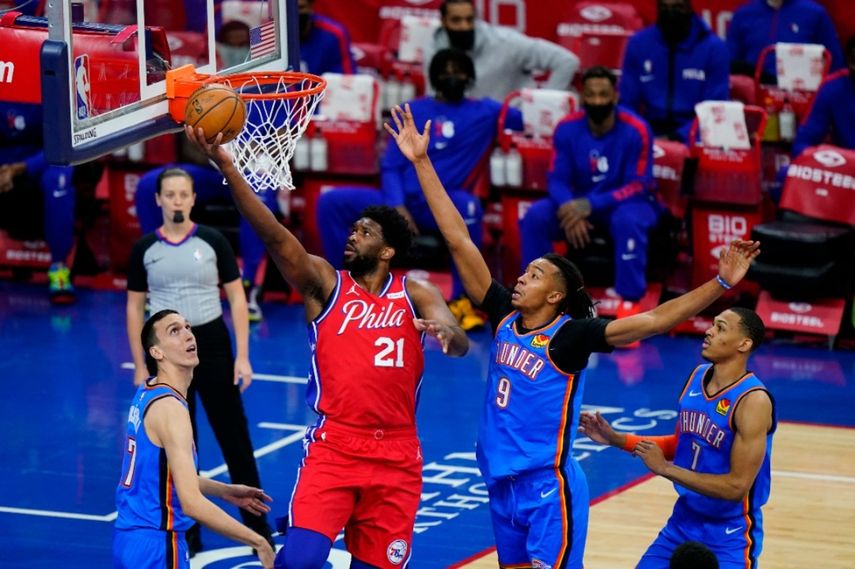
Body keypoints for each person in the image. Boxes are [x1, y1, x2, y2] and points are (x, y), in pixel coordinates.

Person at [385, 102, 760, 569]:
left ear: (558, 295)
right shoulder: (503, 314)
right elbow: (459, 239)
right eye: (524, 271)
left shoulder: (571, 338)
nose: (521, 278)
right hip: (501, 485)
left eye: (535, 274)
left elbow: (655, 321)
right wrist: (421, 162)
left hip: (547, 489)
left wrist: (721, 283)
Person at [184, 124, 469, 568]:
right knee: (300, 559)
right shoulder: (325, 284)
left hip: (397, 454)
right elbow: (276, 236)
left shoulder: (416, 292)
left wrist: (449, 336)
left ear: (389, 250)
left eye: (366, 231)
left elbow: (458, 340)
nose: (352, 235)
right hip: (335, 446)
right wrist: (228, 166)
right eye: (353, 228)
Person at [317, 48, 523, 331]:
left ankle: (462, 300)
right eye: (445, 70)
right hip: (400, 201)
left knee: (469, 207)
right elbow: (390, 165)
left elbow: (532, 118)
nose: (452, 76)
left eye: (459, 70)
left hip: (442, 204)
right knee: (331, 202)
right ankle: (335, 285)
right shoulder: (413, 110)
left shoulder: (486, 111)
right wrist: (397, 207)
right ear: (434, 76)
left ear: (470, 76)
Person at [126, 167, 272, 554]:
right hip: (167, 352)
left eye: (183, 194)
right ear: (158, 200)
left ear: (193, 198)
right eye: (169, 194)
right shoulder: (144, 249)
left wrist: (243, 356)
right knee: (181, 443)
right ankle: (187, 532)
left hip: (210, 340)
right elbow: (134, 306)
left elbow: (238, 299)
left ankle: (259, 527)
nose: (176, 200)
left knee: (234, 436)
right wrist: (140, 365)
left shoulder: (213, 241)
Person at [579, 307, 773, 569]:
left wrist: (666, 469)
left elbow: (735, 487)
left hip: (730, 534)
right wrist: (616, 439)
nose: (709, 331)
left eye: (721, 328)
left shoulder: (753, 400)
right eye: (713, 324)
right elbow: (681, 445)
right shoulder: (696, 377)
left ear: (744, 344)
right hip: (683, 522)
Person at [114, 309, 275, 569]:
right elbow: (191, 504)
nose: (188, 335)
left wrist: (224, 491)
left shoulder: (148, 390)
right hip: (159, 544)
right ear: (157, 352)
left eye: (187, 327)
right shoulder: (172, 410)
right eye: (174, 331)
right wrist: (257, 540)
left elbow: (162, 473)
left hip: (129, 539)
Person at [519, 66, 660, 317]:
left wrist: (590, 205)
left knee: (629, 219)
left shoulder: (637, 129)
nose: (597, 101)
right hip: (578, 204)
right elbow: (557, 179)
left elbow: (639, 184)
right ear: (582, 97)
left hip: (625, 203)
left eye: (603, 95)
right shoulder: (566, 127)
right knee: (536, 216)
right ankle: (535, 296)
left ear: (615, 97)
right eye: (591, 95)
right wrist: (568, 207)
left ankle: (629, 302)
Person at [136, 163, 280, 322]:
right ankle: (159, 276)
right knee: (148, 185)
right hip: (210, 170)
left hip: (251, 173)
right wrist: (211, 151)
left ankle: (248, 285)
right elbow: (190, 149)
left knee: (262, 187)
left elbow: (281, 147)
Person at [0, 102, 78, 304]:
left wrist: (20, 168)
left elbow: (61, 141)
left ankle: (59, 267)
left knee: (59, 177)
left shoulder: (47, 80)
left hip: (39, 160)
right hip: (3, 159)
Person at [619, 0, 729, 142]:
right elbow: (627, 103)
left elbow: (715, 110)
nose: (670, 13)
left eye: (677, 7)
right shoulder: (639, 44)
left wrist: (677, 138)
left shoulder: (714, 49)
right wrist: (639, 135)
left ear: (689, 8)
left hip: (695, 136)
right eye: (664, 7)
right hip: (647, 134)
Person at [424, 0, 579, 100]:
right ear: (443, 22)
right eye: (456, 20)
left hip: (510, 124)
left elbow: (566, 61)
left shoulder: (506, 42)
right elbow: (434, 95)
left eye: (469, 20)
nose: (464, 26)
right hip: (468, 127)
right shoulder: (434, 51)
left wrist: (543, 103)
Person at [727, 0, 844, 80]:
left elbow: (835, 64)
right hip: (755, 93)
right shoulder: (743, 14)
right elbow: (731, 63)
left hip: (805, 95)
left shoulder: (815, 13)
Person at [792, 35, 855, 157]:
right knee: (785, 172)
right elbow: (803, 145)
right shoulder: (834, 88)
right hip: (848, 168)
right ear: (850, 62)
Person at [298, 0, 356, 75]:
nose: (294, 14)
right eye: (288, 10)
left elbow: (345, 80)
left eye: (300, 7)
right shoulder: (278, 37)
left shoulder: (333, 35)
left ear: (311, 7)